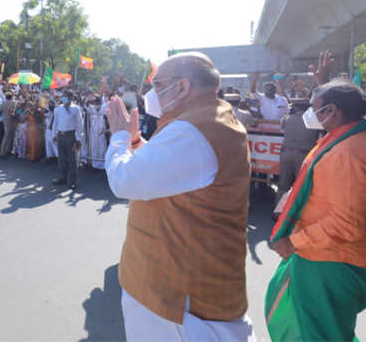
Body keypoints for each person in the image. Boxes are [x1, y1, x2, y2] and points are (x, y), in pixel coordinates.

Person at [104, 52, 256, 341]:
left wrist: (120, 138)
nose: (152, 93)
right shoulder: (207, 119)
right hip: (176, 284)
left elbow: (124, 181)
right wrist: (137, 141)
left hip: (176, 299)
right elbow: (173, 167)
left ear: (183, 87)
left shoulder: (194, 129)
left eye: (158, 84)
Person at [266, 53, 366, 341]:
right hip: (326, 256)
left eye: (316, 108)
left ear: (332, 112)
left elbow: (347, 223)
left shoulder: (349, 153)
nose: (310, 114)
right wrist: (323, 83)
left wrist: (293, 241)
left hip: (331, 260)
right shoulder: (352, 134)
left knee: (321, 334)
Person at [275, 99, 320, 207]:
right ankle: (295, 214)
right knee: (300, 186)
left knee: (283, 185)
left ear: (295, 107)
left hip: (286, 153)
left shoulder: (286, 118)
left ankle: (279, 211)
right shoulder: (314, 120)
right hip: (304, 155)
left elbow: (282, 128)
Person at [52, 90, 83, 189]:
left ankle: (72, 181)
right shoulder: (58, 109)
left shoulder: (76, 109)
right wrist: (54, 135)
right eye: (63, 96)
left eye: (65, 96)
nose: (63, 98)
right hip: (60, 135)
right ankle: (62, 177)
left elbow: (79, 124)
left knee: (72, 159)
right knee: (61, 158)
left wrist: (78, 138)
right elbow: (55, 123)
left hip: (70, 135)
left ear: (70, 98)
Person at [85, 96, 108, 169]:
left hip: (101, 132)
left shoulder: (104, 108)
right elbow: (86, 105)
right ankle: (94, 164)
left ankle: (102, 165)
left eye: (97, 102)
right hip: (93, 132)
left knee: (102, 148)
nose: (96, 104)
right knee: (94, 147)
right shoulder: (91, 108)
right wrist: (89, 99)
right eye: (95, 102)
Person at [0, 92, 18, 157]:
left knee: (7, 136)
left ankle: (5, 151)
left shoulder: (3, 103)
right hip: (12, 120)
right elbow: (15, 111)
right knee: (10, 136)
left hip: (6, 120)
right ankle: (5, 151)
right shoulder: (14, 102)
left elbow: (0, 112)